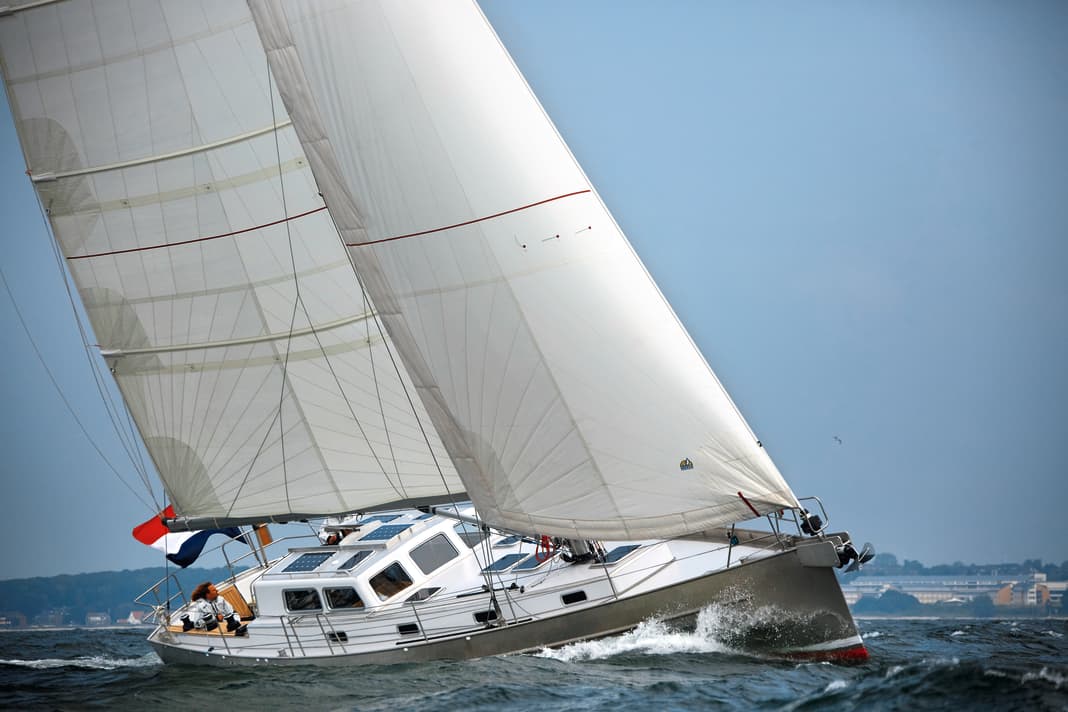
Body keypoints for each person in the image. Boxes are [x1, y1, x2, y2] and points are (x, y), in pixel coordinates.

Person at [182, 582, 247, 636]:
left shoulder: (221, 599)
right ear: (207, 594)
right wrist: (215, 619)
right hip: (215, 632)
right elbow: (197, 624)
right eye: (214, 590)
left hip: (229, 627)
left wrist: (237, 623)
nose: (217, 591)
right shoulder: (201, 606)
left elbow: (232, 612)